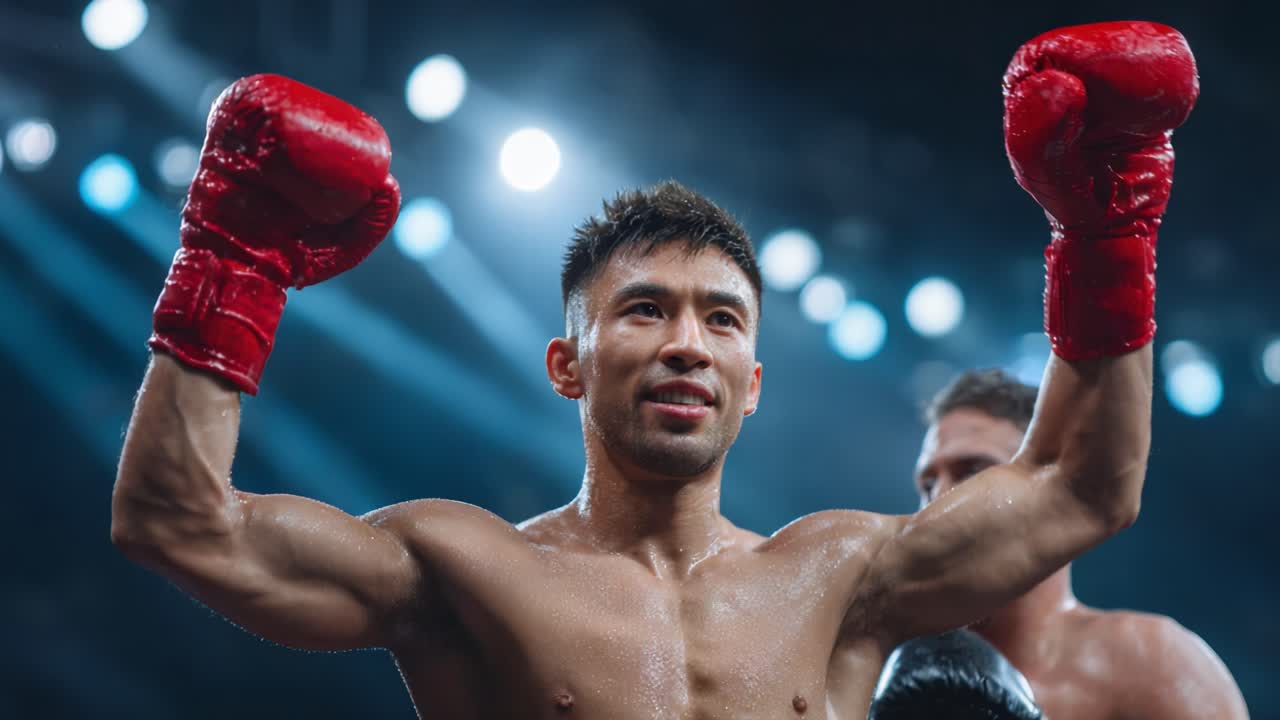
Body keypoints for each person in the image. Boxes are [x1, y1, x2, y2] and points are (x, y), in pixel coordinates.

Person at [111, 21, 1197, 719]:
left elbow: (1082, 488)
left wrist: (1106, 239)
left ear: (752, 382)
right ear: (566, 365)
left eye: (722, 320)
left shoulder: (843, 578)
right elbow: (180, 524)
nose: (688, 342)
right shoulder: (464, 568)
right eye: (644, 310)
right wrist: (232, 271)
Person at [861, 369, 1250, 719]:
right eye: (928, 484)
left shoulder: (1152, 665)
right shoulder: (874, 675)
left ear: (1051, 490)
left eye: (972, 471)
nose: (938, 503)